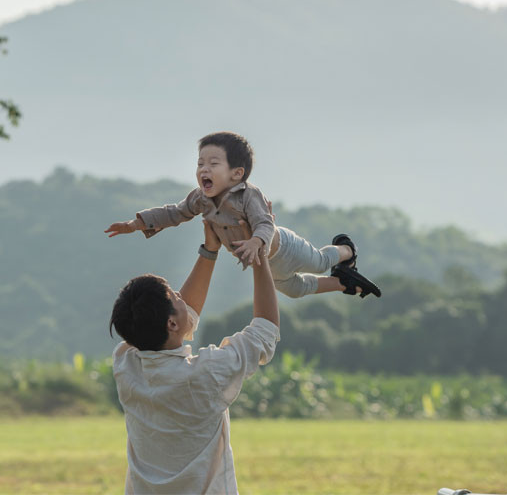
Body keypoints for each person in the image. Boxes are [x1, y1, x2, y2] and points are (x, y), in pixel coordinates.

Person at [109, 219, 279, 494]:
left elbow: (181, 317)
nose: (180, 295)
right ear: (171, 324)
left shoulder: (126, 364)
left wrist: (209, 251)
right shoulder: (204, 374)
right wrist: (259, 248)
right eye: (174, 295)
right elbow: (265, 332)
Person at [105, 131, 381, 299]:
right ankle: (344, 283)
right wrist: (137, 223)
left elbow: (264, 223)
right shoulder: (201, 198)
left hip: (283, 248)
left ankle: (346, 250)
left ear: (237, 173)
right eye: (200, 163)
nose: (204, 169)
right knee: (295, 291)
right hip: (264, 266)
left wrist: (254, 243)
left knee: (320, 262)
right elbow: (175, 213)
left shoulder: (248, 195)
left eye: (213, 163)